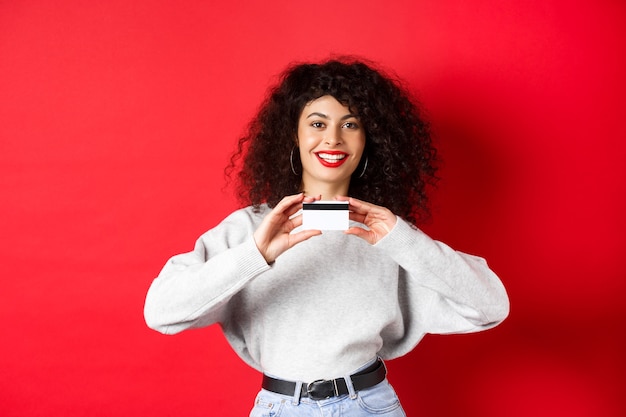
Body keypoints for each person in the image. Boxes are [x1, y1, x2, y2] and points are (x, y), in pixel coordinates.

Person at [143, 57, 509, 416]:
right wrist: (255, 255)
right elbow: (161, 312)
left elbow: (491, 307)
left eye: (350, 125)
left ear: (368, 139)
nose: (332, 139)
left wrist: (402, 240)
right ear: (295, 134)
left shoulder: (388, 234)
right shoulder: (250, 228)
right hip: (280, 407)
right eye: (317, 123)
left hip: (370, 405)